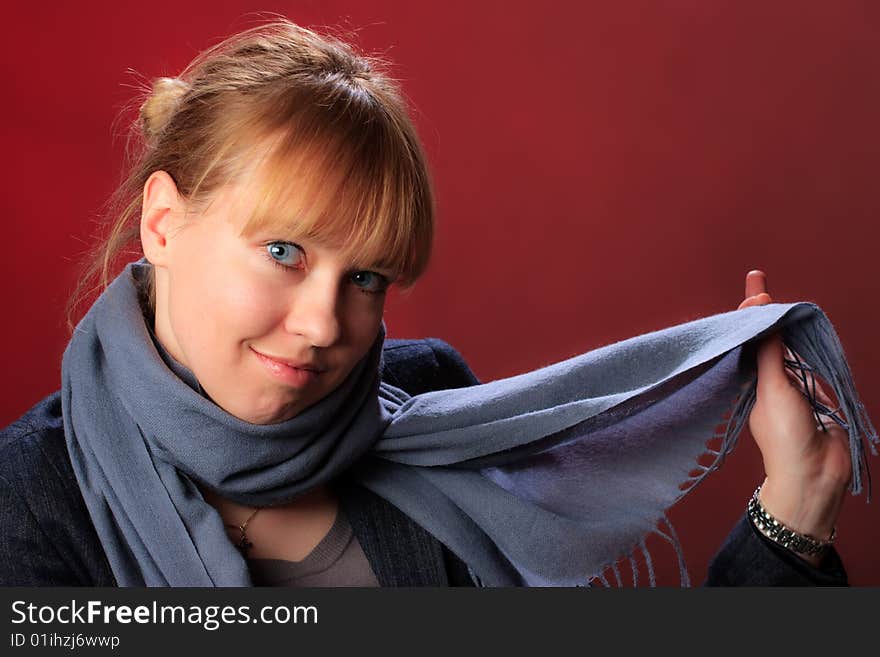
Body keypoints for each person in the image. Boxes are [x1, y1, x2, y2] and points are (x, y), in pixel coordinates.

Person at [0, 19, 858, 587]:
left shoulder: (429, 404)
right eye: (284, 251)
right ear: (161, 223)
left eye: (366, 277)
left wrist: (797, 504)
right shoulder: (30, 500)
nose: (324, 325)